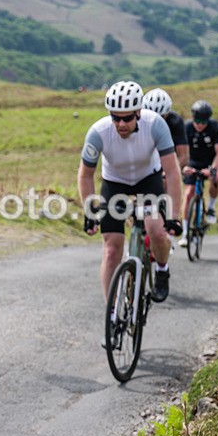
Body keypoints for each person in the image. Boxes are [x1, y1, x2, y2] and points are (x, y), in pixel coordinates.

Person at [78, 80, 183, 313]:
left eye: (127, 118)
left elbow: (172, 172)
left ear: (138, 113)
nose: (121, 124)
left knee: (157, 231)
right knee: (111, 249)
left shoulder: (155, 125)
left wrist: (174, 215)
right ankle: (112, 312)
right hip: (114, 182)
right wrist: (89, 212)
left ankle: (162, 269)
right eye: (115, 118)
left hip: (148, 179)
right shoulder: (98, 132)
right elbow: (86, 175)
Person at [179, 100, 218, 244]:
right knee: (188, 194)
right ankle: (185, 233)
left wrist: (213, 169)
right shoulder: (186, 128)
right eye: (197, 121)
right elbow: (180, 151)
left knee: (216, 176)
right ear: (192, 117)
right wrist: (184, 167)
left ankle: (211, 207)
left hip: (211, 161)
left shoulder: (216, 127)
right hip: (192, 161)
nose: (200, 125)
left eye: (204, 122)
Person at [142, 88, 188, 169]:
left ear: (167, 114)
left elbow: (183, 156)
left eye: (161, 117)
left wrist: (169, 172)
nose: (156, 121)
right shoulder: (137, 120)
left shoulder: (176, 121)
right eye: (151, 117)